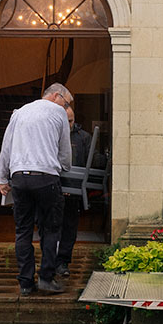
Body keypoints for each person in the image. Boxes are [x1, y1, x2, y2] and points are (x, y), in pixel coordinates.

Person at [0, 82, 74, 295]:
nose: (67, 108)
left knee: (23, 231)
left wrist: (2, 177)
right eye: (67, 102)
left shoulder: (19, 112)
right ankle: (46, 278)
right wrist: (64, 166)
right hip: (46, 178)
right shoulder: (58, 112)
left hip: (19, 177)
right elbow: (65, 153)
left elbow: (7, 147)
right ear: (57, 96)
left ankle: (25, 283)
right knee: (50, 229)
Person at [53, 105, 92, 277]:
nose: (69, 124)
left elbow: (88, 161)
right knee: (52, 226)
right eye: (66, 121)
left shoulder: (83, 137)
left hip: (74, 190)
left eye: (71, 120)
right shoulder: (51, 135)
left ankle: (62, 262)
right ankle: (50, 261)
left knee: (69, 227)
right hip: (54, 189)